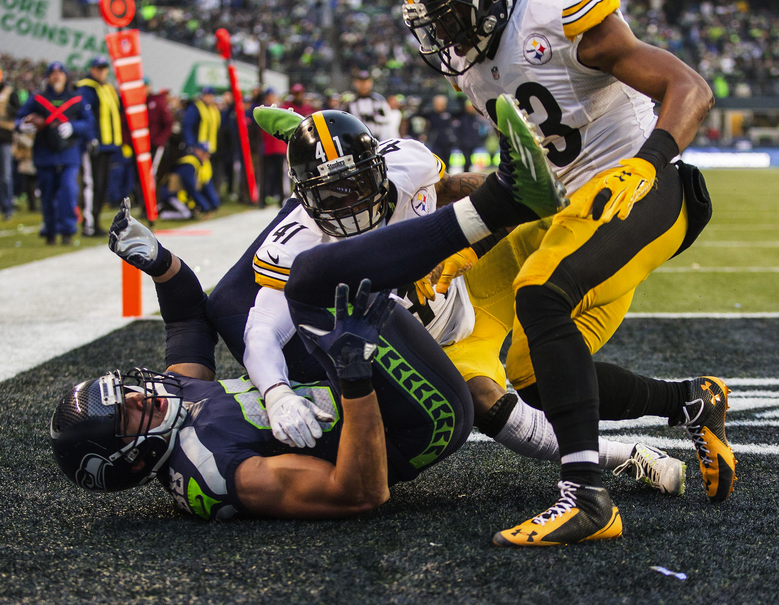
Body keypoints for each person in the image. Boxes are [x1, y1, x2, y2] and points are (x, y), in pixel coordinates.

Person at [400, 0, 734, 546]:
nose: (444, 33)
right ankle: (691, 400)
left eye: (450, 16)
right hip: (568, 213)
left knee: (540, 291)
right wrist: (470, 236)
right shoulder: (475, 72)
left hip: (646, 188)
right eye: (434, 23)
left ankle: (587, 498)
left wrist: (646, 161)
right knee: (534, 380)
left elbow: (691, 88)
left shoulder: (555, 19)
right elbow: (538, 174)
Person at [237, 107, 689, 494]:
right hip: (414, 348)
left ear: (378, 166)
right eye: (331, 193)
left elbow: (452, 188)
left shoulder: (406, 165)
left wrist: (488, 224)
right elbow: (261, 330)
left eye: (356, 185)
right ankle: (628, 456)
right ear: (302, 198)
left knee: (547, 240)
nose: (349, 203)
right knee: (490, 407)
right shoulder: (295, 247)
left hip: (463, 295)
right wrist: (276, 395)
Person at [48, 200, 474, 520]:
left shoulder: (169, 407)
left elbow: (188, 324)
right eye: (127, 414)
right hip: (415, 424)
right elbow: (360, 492)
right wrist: (355, 375)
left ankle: (324, 196)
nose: (141, 396)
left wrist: (160, 264)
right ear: (134, 461)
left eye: (127, 390)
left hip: (347, 387)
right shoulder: (217, 469)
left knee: (229, 303)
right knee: (309, 283)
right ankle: (481, 212)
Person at [15, 62, 93, 245]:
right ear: (48, 77)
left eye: (60, 73)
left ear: (66, 76)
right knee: (47, 194)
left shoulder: (76, 98)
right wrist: (24, 125)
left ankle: (67, 230)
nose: (57, 76)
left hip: (68, 153)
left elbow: (89, 122)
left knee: (68, 189)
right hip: (45, 153)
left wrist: (73, 126)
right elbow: (20, 117)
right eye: (53, 73)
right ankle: (49, 230)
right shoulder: (37, 98)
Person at [77, 56, 123, 237]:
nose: (102, 71)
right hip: (95, 144)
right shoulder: (86, 88)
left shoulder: (108, 88)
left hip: (108, 144)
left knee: (102, 184)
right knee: (92, 183)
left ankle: (95, 220)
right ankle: (89, 223)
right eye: (99, 68)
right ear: (92, 69)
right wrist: (91, 138)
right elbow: (86, 115)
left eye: (104, 68)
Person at [157, 143, 220, 219]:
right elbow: (191, 187)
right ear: (197, 151)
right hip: (172, 196)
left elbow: (207, 185)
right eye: (204, 153)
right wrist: (205, 207)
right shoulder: (188, 165)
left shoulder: (203, 164)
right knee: (187, 214)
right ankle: (162, 212)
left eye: (208, 154)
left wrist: (214, 204)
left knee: (191, 212)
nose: (206, 156)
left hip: (183, 197)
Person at [342, 71, 392, 140]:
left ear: (371, 83)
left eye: (366, 82)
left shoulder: (379, 100)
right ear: (355, 83)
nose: (363, 85)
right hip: (359, 139)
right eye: (360, 82)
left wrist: (375, 118)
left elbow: (388, 118)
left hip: (378, 138)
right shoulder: (351, 103)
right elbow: (345, 122)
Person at [0, 66, 21, 221]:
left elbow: (18, 111)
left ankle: (7, 207)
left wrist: (9, 108)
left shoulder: (9, 92)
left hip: (4, 139)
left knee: (6, 175)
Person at [181, 86, 221, 154]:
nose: (210, 98)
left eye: (211, 96)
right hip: (198, 147)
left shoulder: (213, 109)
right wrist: (191, 143)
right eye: (207, 95)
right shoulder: (195, 108)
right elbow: (187, 126)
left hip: (210, 147)